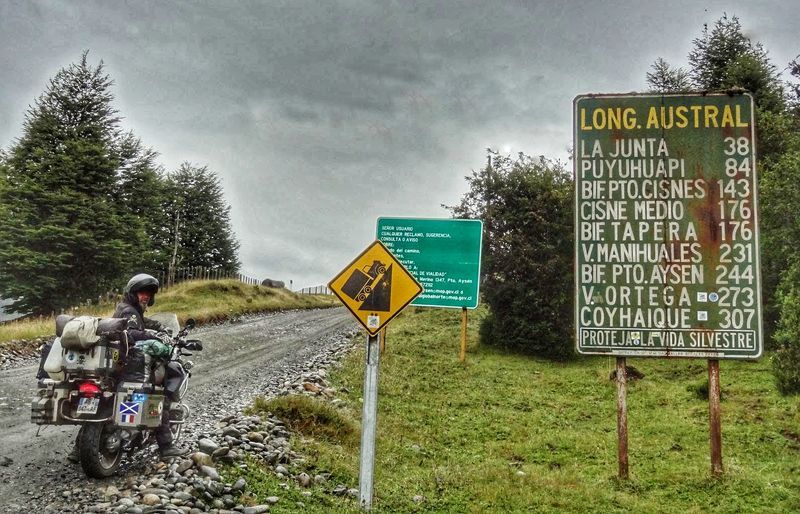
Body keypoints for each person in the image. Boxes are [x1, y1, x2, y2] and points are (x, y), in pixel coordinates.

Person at [68, 273, 188, 462]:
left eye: (149, 293)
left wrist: (158, 326)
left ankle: (78, 450)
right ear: (133, 293)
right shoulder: (128, 311)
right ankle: (167, 447)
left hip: (118, 365)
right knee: (159, 395)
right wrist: (155, 338)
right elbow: (132, 332)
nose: (146, 296)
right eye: (142, 292)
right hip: (131, 364)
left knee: (107, 401)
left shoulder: (130, 310)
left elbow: (140, 323)